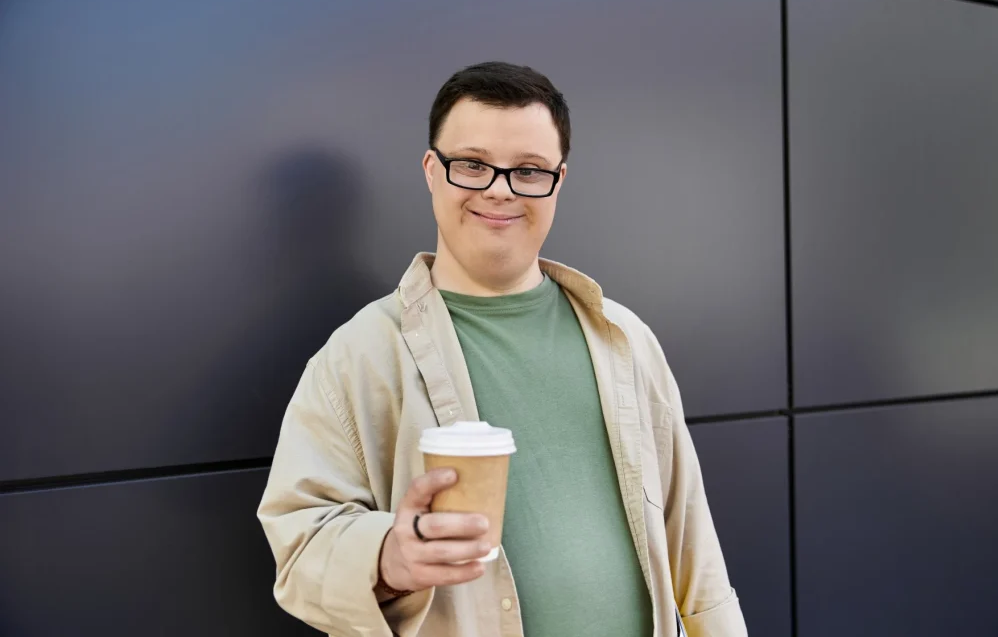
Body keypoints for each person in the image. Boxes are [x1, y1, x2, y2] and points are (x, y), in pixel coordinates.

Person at [257, 61, 747, 637]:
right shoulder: (359, 355)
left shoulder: (626, 339)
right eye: (472, 164)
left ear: (558, 183)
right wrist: (388, 557)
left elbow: (690, 540)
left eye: (529, 170)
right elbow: (299, 546)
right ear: (431, 171)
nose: (499, 188)